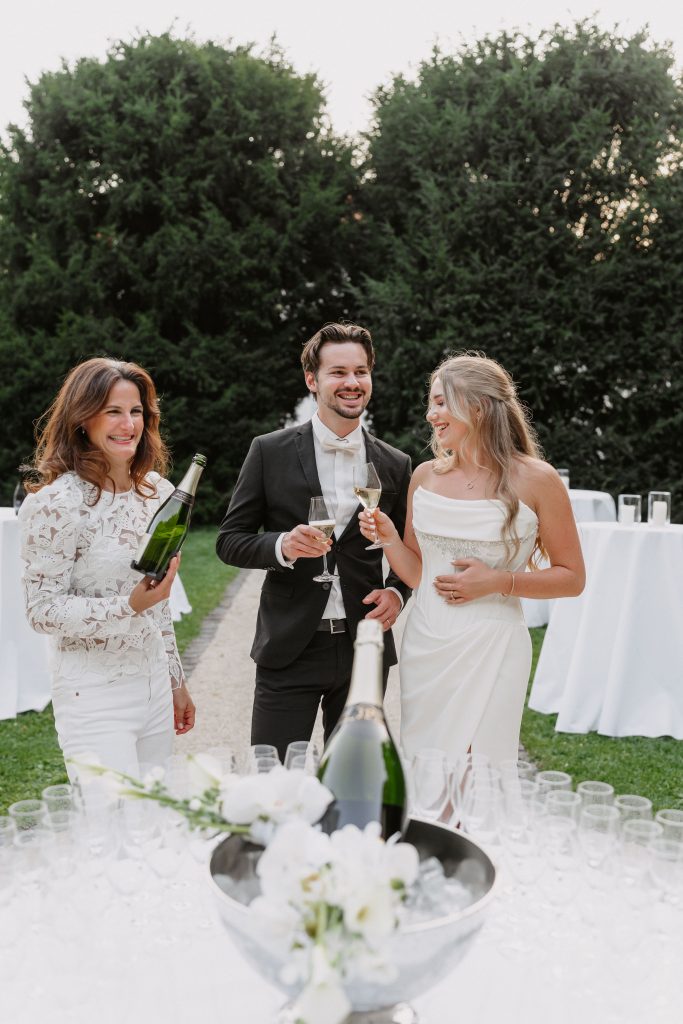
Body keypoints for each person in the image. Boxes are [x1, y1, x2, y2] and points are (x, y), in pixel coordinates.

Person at [359, 353, 585, 766]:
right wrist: (391, 539)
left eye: (442, 402)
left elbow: (572, 578)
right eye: (431, 403)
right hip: (426, 644)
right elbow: (417, 575)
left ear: (478, 407)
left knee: (478, 770)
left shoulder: (537, 479)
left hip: (492, 643)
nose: (431, 414)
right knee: (429, 769)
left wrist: (499, 581)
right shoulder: (424, 476)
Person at [216, 322, 412, 761]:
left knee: (354, 782)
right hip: (290, 648)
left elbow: (408, 553)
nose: (352, 383)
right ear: (312, 380)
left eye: (361, 372)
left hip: (365, 647)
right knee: (277, 784)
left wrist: (398, 594)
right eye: (338, 372)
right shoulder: (269, 450)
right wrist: (282, 545)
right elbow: (229, 541)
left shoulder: (396, 463)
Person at [19, 357, 196, 778]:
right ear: (83, 419)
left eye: (136, 411)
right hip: (94, 695)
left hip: (153, 682)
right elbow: (41, 610)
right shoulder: (54, 505)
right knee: (111, 830)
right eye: (112, 411)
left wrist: (175, 680)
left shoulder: (160, 493)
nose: (128, 424)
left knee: (154, 822)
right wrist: (127, 606)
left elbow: (157, 601)